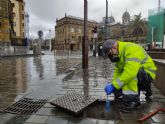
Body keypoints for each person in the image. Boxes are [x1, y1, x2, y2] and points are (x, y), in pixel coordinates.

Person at [103, 39, 157, 112]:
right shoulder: (119, 54)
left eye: (110, 54)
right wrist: (114, 85)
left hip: (148, 73)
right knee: (119, 86)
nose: (110, 57)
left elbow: (130, 73)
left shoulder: (131, 49)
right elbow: (118, 72)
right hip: (139, 73)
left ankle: (133, 101)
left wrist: (114, 85)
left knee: (129, 76)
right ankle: (146, 87)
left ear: (114, 48)